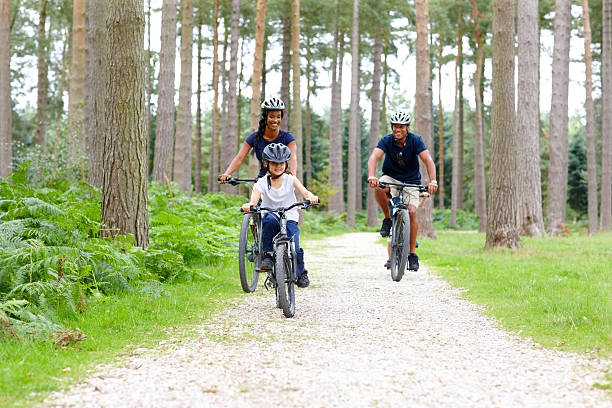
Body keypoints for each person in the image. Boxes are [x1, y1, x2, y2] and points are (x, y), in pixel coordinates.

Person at [366, 110, 438, 271]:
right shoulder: (386, 140)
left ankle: (412, 254)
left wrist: (433, 181)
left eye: (401, 127)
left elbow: (427, 159)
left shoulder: (415, 140)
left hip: (411, 181)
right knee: (379, 186)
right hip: (391, 177)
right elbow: (374, 158)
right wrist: (372, 176)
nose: (397, 130)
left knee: (412, 212)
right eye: (395, 127)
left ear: (407, 128)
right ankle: (387, 219)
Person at [241, 143, 318, 288]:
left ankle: (301, 273)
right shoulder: (262, 183)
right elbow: (254, 200)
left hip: (289, 216)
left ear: (286, 163)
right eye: (274, 163)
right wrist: (249, 205)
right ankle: (268, 255)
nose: (278, 166)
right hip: (271, 216)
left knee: (295, 248)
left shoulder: (291, 179)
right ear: (266, 163)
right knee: (268, 220)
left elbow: (305, 192)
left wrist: (311, 197)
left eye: (281, 163)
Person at [219, 97, 297, 182]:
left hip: (282, 181)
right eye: (271, 116)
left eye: (278, 117)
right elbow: (239, 158)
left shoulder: (288, 138)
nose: (275, 120)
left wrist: (293, 176)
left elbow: (293, 158)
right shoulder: (254, 137)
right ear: (265, 117)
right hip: (262, 181)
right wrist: (227, 173)